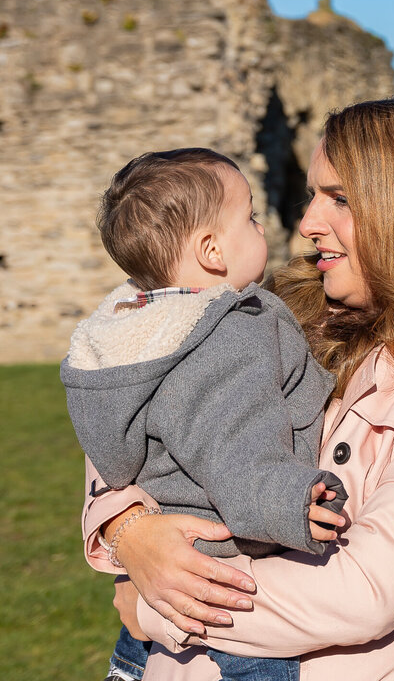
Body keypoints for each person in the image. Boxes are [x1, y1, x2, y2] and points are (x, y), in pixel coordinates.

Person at [79, 99, 394, 680]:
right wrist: (129, 531)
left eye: (340, 199)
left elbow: (363, 590)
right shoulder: (265, 310)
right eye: (312, 195)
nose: (307, 223)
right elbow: (130, 405)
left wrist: (157, 603)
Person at [62, 148, 349, 681]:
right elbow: (238, 447)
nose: (270, 226)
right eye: (252, 217)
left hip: (156, 619)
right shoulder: (228, 336)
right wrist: (288, 504)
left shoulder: (130, 332)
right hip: (228, 591)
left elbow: (117, 458)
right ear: (213, 250)